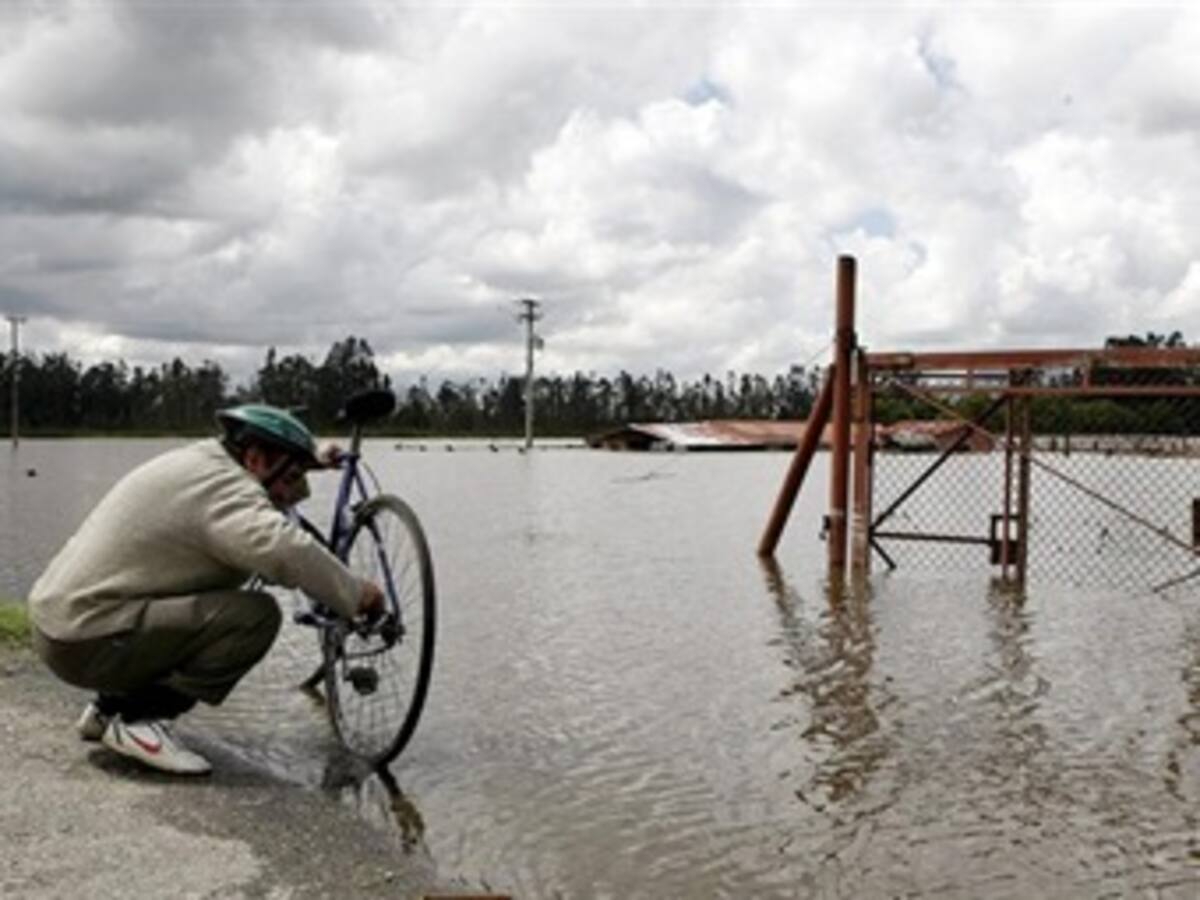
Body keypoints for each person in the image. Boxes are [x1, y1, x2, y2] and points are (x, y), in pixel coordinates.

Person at [28, 404, 384, 775]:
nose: (290, 491)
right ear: (256, 458)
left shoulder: (203, 461)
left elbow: (270, 484)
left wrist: (311, 461)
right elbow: (286, 550)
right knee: (253, 617)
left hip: (63, 625)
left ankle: (106, 710)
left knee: (180, 602)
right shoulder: (224, 493)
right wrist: (356, 593)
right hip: (84, 640)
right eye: (291, 477)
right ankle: (139, 722)